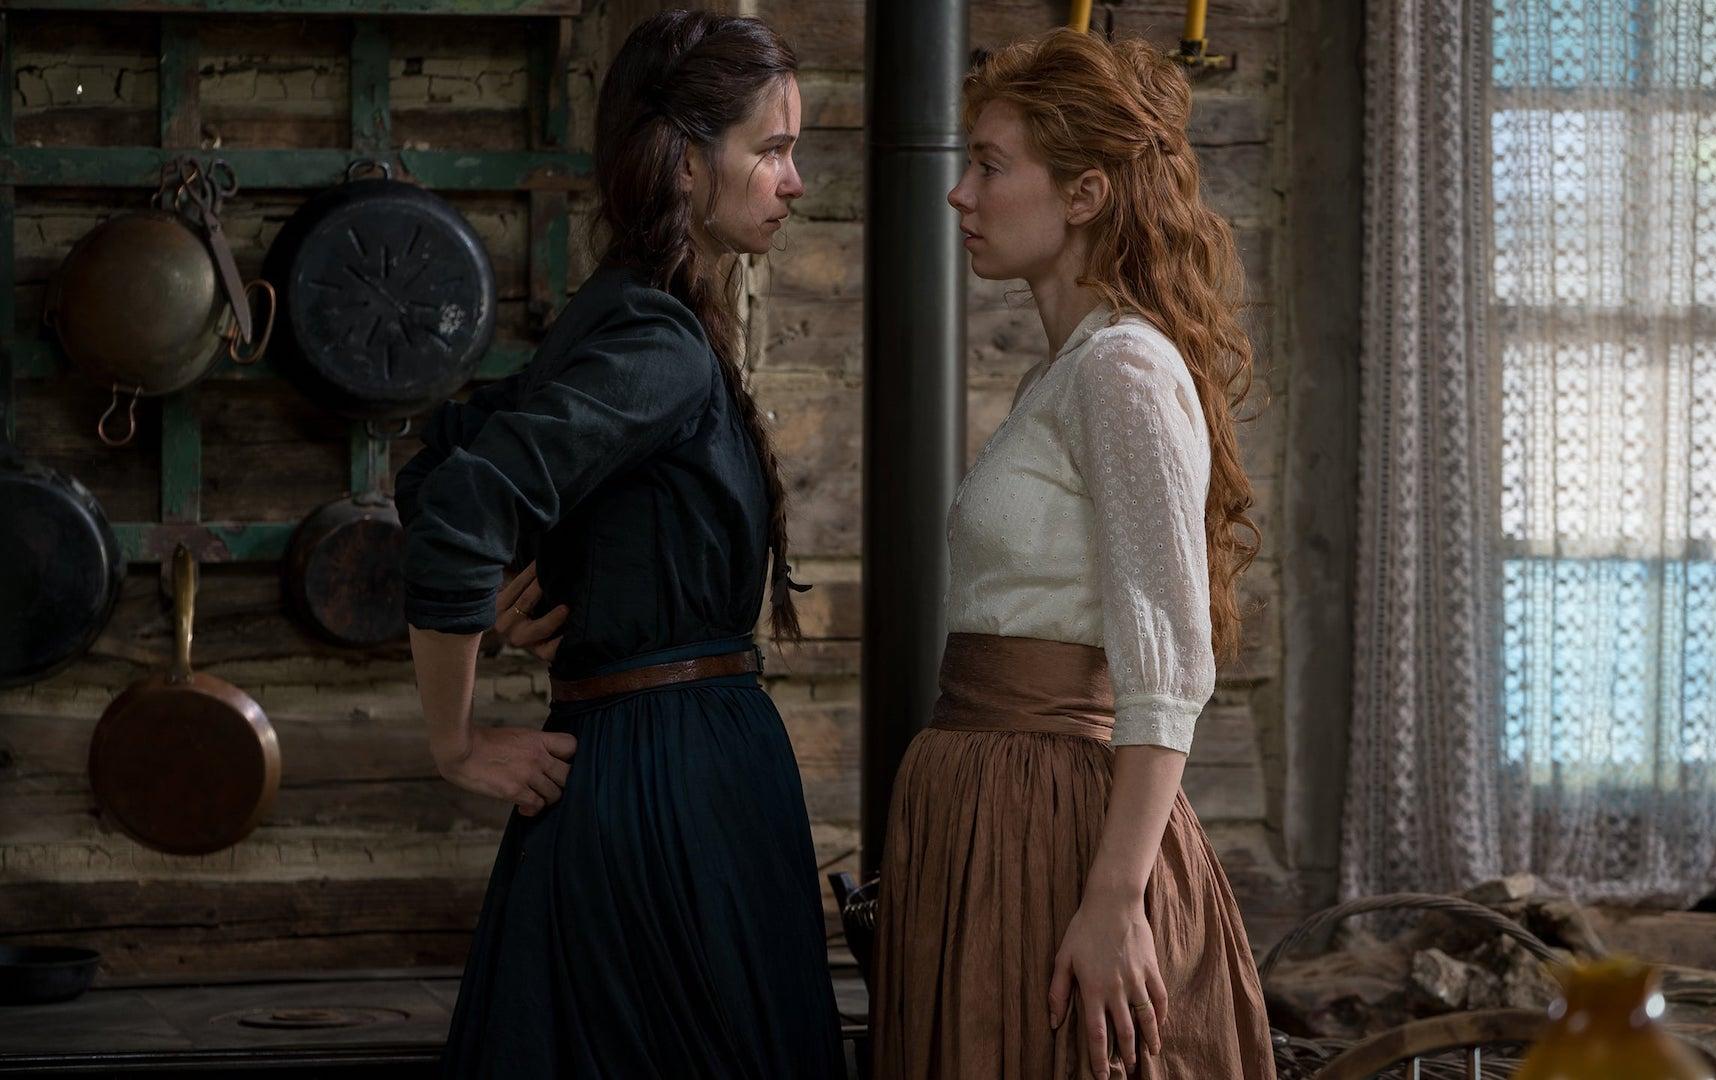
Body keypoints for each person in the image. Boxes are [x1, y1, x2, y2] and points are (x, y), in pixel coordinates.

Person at [394, 10, 844, 1077]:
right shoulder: (655, 341)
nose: (795, 182)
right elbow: (459, 502)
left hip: (662, 766)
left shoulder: (630, 315)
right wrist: (456, 743)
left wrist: (531, 579)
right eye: (772, 150)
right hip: (667, 787)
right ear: (685, 163)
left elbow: (435, 458)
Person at [869, 28, 1277, 1080]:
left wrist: (1114, 900)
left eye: (990, 166)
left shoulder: (1123, 371)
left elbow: (1168, 667)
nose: (961, 193)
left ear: (1086, 193)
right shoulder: (1065, 373)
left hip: (1059, 822)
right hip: (995, 808)